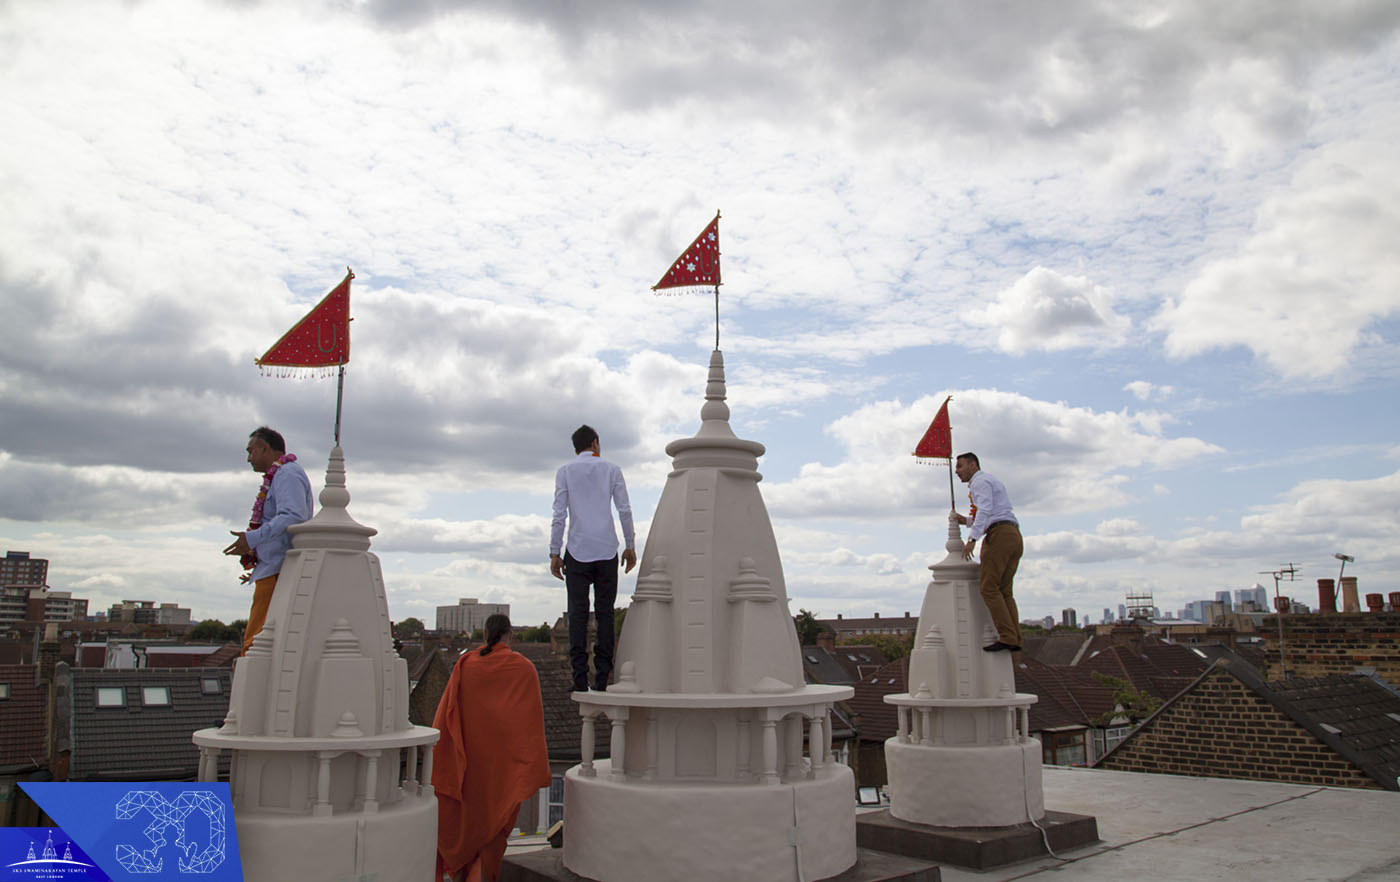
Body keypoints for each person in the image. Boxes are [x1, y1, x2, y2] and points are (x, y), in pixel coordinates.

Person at [432, 614, 550, 882]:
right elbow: (530, 725)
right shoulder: (523, 668)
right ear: (510, 635)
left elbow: (446, 718)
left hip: (468, 769)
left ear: (485, 635)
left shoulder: (466, 665)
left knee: (467, 826)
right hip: (502, 774)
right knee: (493, 833)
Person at [549, 424, 636, 692]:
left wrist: (554, 551)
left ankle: (579, 676)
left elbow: (559, 514)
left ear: (576, 447)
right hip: (607, 549)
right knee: (605, 614)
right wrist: (630, 545)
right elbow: (624, 509)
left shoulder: (564, 472)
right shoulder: (612, 470)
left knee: (577, 614)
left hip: (577, 550)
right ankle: (602, 677)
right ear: (595, 443)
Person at [222, 426, 313, 655]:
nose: (248, 458)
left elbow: (293, 515)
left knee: (254, 645)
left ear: (265, 448)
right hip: (271, 569)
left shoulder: (287, 473)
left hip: (278, 570)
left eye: (251, 451)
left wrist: (252, 539)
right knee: (255, 642)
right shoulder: (282, 474)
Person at [954, 452, 1024, 652]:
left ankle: (1007, 636)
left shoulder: (979, 482)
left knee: (988, 587)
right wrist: (966, 521)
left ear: (973, 464)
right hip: (1012, 534)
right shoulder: (989, 480)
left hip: (999, 535)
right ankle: (1014, 636)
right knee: (1004, 591)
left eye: (960, 466)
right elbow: (992, 511)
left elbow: (985, 511)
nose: (957, 472)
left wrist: (971, 540)